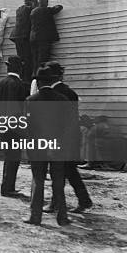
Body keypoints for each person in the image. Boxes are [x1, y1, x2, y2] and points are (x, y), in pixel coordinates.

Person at [23, 65, 71, 226]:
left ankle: (35, 216)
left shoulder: (31, 101)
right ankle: (62, 217)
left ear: (38, 81)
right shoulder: (62, 99)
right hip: (57, 146)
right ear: (52, 80)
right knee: (58, 181)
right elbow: (68, 127)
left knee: (38, 180)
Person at [45, 61, 93, 213]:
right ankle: (84, 200)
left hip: (59, 138)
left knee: (57, 172)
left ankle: (56, 203)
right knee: (70, 171)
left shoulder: (53, 94)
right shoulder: (70, 92)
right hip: (71, 137)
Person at [0, 55, 29, 197]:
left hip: (0, 125)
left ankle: (7, 186)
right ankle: (7, 188)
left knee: (9, 155)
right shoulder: (21, 85)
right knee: (13, 156)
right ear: (20, 69)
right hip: (15, 126)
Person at [29, 0, 63, 77]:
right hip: (43, 40)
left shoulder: (33, 11)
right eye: (47, 1)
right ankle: (40, 78)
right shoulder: (46, 10)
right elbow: (58, 7)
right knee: (43, 60)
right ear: (45, 2)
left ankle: (34, 77)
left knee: (35, 60)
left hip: (33, 39)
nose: (47, 2)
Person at [10, 0, 37, 82]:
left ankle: (21, 76)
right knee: (28, 58)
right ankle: (26, 79)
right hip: (24, 37)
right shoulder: (30, 10)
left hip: (16, 37)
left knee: (21, 58)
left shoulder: (19, 9)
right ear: (32, 3)